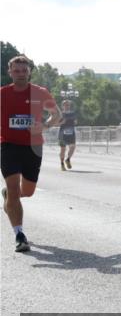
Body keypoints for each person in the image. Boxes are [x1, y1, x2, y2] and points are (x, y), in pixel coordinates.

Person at [1, 55, 61, 253]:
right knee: (13, 187)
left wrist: (43, 125)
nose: (20, 74)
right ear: (10, 72)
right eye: (16, 71)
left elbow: (57, 116)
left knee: (27, 191)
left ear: (29, 72)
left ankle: (9, 196)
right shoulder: (3, 94)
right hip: (8, 145)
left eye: (24, 71)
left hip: (33, 147)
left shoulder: (40, 92)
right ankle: (19, 235)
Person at [58, 100, 77, 170]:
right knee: (63, 149)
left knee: (73, 147)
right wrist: (62, 122)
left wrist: (75, 122)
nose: (67, 106)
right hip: (62, 133)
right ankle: (62, 164)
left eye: (68, 105)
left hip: (71, 132)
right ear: (62, 106)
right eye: (65, 105)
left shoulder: (73, 113)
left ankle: (68, 159)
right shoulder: (60, 114)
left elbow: (75, 121)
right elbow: (56, 123)